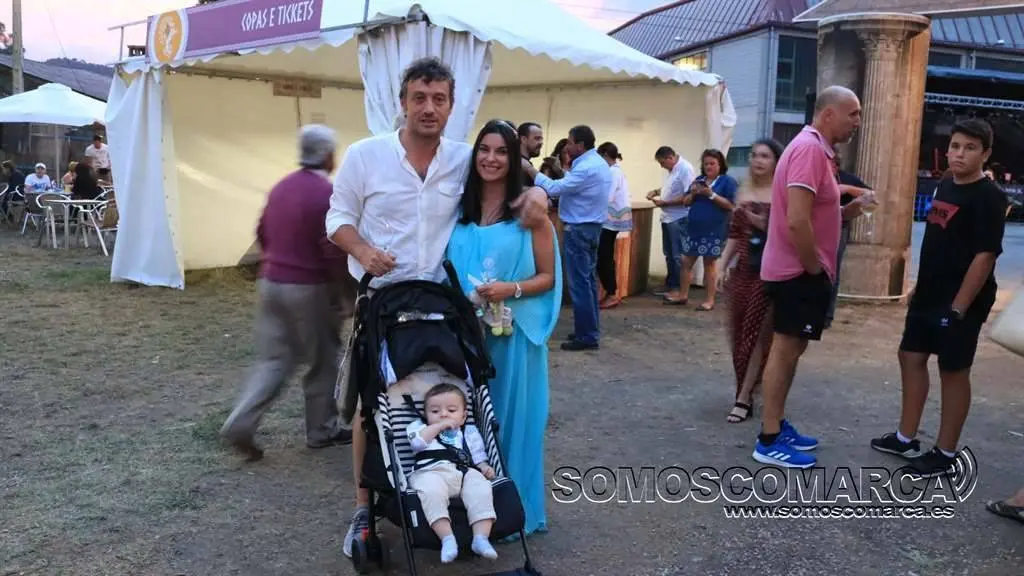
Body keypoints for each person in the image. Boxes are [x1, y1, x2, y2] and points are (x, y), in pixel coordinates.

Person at [325, 57, 550, 558]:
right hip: (382, 302)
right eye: (419, 98)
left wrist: (538, 191)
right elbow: (336, 218)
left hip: (443, 306)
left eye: (439, 99)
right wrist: (362, 250)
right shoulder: (365, 156)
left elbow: (514, 170)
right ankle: (363, 508)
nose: (429, 108)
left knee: (449, 399)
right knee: (373, 404)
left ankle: (457, 493)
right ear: (403, 103)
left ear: (451, 106)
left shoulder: (462, 158)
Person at [869, 119, 1008, 478]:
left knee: (953, 370)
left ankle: (945, 453)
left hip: (961, 300)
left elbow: (985, 256)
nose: (960, 154)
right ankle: (905, 438)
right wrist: (920, 285)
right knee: (910, 356)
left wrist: (959, 306)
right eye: (955, 146)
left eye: (970, 148)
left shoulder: (990, 197)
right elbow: (937, 239)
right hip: (929, 292)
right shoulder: (945, 184)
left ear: (985, 154)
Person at [446, 119, 560, 537]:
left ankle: (514, 512)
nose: (491, 159)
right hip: (466, 339)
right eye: (484, 149)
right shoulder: (457, 215)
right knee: (469, 425)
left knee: (512, 423)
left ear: (514, 159)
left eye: (501, 152)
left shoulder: (529, 214)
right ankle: (474, 512)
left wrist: (509, 289)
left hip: (514, 340)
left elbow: (548, 277)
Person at [219, 125, 355, 461]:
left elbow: (261, 230)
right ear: (328, 156)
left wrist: (275, 261)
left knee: (274, 360)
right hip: (308, 288)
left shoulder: (281, 187)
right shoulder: (326, 194)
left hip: (271, 282)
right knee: (323, 358)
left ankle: (242, 420)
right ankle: (321, 429)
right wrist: (344, 293)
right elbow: (332, 249)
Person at [752, 86, 862, 469]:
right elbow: (797, 220)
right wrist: (813, 268)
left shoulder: (816, 150)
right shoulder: (809, 149)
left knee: (792, 348)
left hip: (800, 269)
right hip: (797, 271)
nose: (857, 122)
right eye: (853, 113)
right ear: (828, 114)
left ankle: (776, 424)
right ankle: (769, 439)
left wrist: (847, 213)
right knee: (785, 349)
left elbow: (812, 213)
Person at [523, 125, 612, 351]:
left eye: (570, 142)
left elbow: (554, 189)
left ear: (580, 145)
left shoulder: (587, 167)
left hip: (579, 230)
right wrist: (561, 171)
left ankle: (587, 336)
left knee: (579, 284)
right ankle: (589, 329)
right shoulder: (595, 163)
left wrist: (530, 170)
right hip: (591, 229)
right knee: (587, 282)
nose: (567, 146)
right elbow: (574, 184)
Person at [718, 138, 783, 423]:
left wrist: (764, 224)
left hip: (769, 271)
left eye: (765, 156)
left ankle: (743, 397)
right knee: (738, 334)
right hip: (743, 270)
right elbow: (735, 234)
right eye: (754, 155)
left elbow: (788, 231)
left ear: (776, 161)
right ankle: (748, 387)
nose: (758, 160)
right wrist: (722, 265)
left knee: (754, 335)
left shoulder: (783, 192)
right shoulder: (743, 189)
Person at [406, 383, 498, 563]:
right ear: (425, 415)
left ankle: (481, 538)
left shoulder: (468, 432)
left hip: (463, 472)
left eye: (451, 410)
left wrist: (484, 467)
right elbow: (417, 443)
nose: (443, 414)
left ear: (463, 416)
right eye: (435, 411)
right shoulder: (418, 428)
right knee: (431, 491)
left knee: (481, 487)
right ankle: (447, 539)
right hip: (430, 472)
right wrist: (438, 427)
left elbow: (478, 456)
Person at [678, 149, 737, 311]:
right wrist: (693, 194)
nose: (709, 167)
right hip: (694, 229)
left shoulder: (727, 182)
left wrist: (711, 195)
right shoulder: (698, 180)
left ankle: (709, 300)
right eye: (706, 164)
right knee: (686, 261)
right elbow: (685, 202)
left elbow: (731, 205)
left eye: (712, 163)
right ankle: (683, 295)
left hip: (714, 230)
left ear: (720, 165)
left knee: (709, 263)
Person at [824, 150, 877, 328]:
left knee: (832, 271)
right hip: (815, 227)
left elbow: (871, 194)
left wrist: (847, 189)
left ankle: (827, 315)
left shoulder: (845, 178)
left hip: (838, 228)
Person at [648, 146, 695, 303]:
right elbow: (672, 187)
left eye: (662, 163)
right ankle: (670, 284)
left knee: (677, 255)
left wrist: (666, 203)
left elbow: (690, 195)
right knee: (668, 253)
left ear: (670, 158)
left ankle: (678, 288)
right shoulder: (673, 170)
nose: (662, 166)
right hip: (668, 217)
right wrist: (656, 191)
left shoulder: (685, 169)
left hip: (679, 217)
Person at [596, 141, 631, 309]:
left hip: (609, 220)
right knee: (604, 256)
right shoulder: (616, 171)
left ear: (604, 155)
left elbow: (607, 196)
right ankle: (609, 291)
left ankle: (611, 292)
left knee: (604, 257)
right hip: (612, 219)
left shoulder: (612, 172)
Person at [518, 122, 544, 186]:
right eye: (537, 138)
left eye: (541, 139)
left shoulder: (525, 164)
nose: (541, 143)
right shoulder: (519, 164)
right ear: (523, 139)